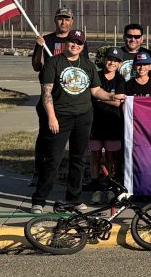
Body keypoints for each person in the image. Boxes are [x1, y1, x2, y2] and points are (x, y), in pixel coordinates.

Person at [32, 30, 126, 213]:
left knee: (79, 159)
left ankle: (74, 199)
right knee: (53, 159)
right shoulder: (54, 62)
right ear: (67, 43)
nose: (75, 45)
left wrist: (111, 95)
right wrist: (51, 116)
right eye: (72, 41)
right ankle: (39, 200)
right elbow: (47, 93)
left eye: (79, 43)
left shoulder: (87, 65)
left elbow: (96, 90)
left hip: (84, 117)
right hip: (60, 117)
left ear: (83, 46)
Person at [29, 7, 87, 186]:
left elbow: (83, 67)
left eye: (67, 19)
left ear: (72, 21)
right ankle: (40, 171)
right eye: (60, 19)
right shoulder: (46, 40)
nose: (64, 22)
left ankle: (66, 171)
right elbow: (37, 66)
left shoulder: (76, 41)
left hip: (70, 95)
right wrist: (39, 48)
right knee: (46, 135)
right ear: (55, 20)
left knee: (73, 138)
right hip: (50, 95)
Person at [88, 47, 126, 205]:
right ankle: (96, 188)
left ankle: (111, 187)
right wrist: (105, 98)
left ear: (120, 64)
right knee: (95, 156)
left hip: (113, 123)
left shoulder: (120, 80)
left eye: (116, 61)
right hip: (95, 122)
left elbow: (117, 102)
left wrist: (99, 98)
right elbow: (91, 94)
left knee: (111, 158)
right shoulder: (95, 75)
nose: (112, 63)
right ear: (104, 60)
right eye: (110, 59)